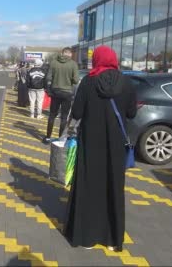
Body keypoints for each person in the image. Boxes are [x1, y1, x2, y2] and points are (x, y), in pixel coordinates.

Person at [63, 46, 137, 252]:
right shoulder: (127, 82)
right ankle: (113, 239)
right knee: (113, 187)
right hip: (115, 146)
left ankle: (86, 238)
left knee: (88, 187)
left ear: (96, 60)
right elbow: (131, 114)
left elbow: (77, 112)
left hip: (90, 144)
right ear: (114, 59)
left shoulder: (88, 81)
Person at [43, 47, 79, 143]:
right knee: (64, 117)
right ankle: (60, 139)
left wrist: (50, 88)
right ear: (70, 54)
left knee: (52, 115)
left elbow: (48, 78)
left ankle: (47, 137)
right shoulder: (73, 64)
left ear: (62, 53)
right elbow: (76, 80)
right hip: (67, 93)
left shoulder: (54, 62)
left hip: (55, 92)